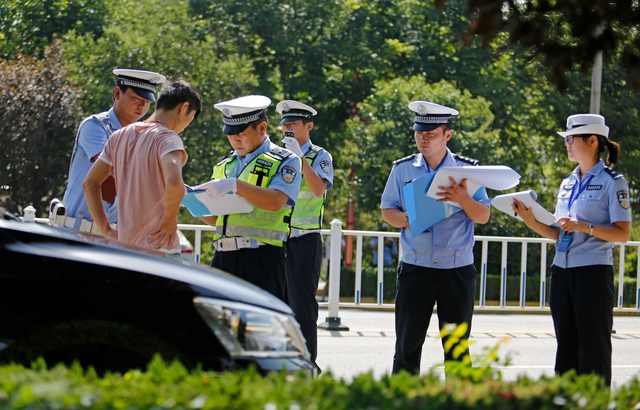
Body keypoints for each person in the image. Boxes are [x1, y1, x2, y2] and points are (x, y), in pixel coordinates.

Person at [512, 114, 630, 386]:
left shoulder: (614, 181)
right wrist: (531, 221)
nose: (566, 143)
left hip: (592, 271)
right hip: (562, 270)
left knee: (593, 349)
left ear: (591, 141)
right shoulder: (567, 182)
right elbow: (560, 232)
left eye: (570, 138)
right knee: (565, 347)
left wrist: (585, 226)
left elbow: (623, 233)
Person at [380, 101, 491, 375]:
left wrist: (463, 198)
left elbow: (483, 216)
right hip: (416, 267)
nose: (423, 138)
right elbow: (387, 211)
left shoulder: (468, 170)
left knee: (456, 349)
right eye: (419, 132)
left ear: (448, 134)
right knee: (407, 347)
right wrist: (408, 218)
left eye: (431, 133)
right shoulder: (402, 169)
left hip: (457, 268)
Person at [200, 95, 302, 300]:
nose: (235, 139)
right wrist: (196, 202)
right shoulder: (224, 164)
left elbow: (275, 202)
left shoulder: (286, 160)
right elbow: (214, 220)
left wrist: (235, 185)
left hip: (262, 259)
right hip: (223, 257)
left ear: (262, 128)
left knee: (260, 327)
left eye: (241, 134)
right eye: (230, 134)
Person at [83, 80, 202, 254]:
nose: (186, 126)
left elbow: (90, 184)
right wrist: (169, 219)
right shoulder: (168, 139)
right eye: (191, 118)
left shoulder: (119, 136)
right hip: (159, 247)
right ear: (184, 108)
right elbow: (175, 183)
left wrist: (106, 230)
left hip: (126, 248)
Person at [62, 69, 166, 234]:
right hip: (75, 232)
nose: (142, 106)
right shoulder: (95, 126)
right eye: (137, 98)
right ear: (117, 93)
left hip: (111, 237)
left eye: (147, 102)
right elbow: (111, 167)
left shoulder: (141, 137)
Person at [276, 100, 334, 364]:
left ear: (308, 126)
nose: (287, 128)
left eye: (293, 124)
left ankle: (307, 364)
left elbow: (319, 188)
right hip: (276, 239)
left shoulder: (320, 156)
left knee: (303, 308)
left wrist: (298, 156)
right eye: (284, 124)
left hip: (305, 240)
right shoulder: (276, 154)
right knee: (276, 306)